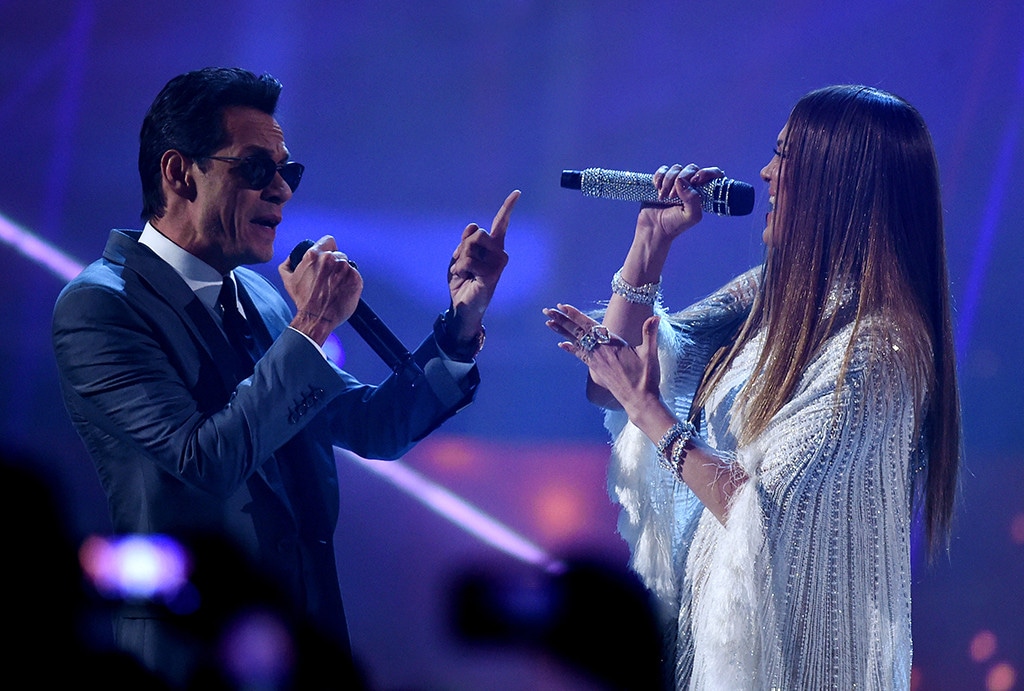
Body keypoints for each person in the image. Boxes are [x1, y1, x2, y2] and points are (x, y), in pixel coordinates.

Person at [52, 66, 519, 687]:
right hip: (190, 657)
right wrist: (313, 324)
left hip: (306, 645)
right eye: (255, 169)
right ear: (178, 172)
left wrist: (462, 320)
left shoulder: (262, 300)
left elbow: (374, 426)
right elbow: (207, 460)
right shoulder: (101, 306)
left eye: (287, 171)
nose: (281, 191)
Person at [544, 85, 960, 689]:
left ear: (834, 179)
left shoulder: (881, 350)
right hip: (706, 643)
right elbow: (619, 382)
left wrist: (649, 409)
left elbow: (762, 512)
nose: (765, 173)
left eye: (784, 157)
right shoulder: (771, 293)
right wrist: (648, 247)